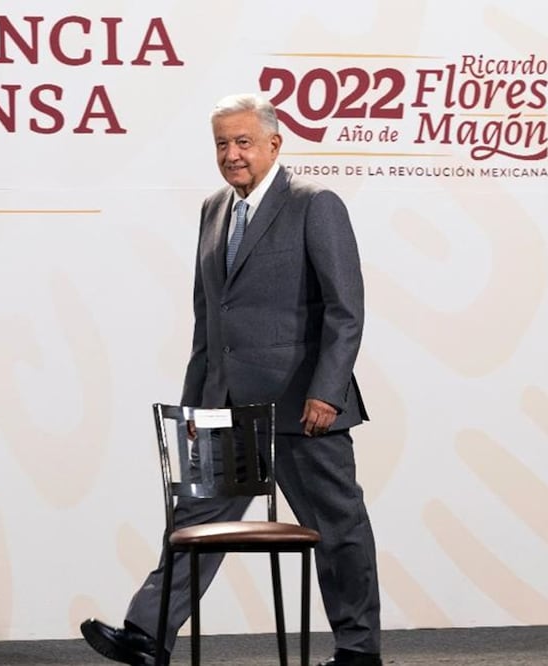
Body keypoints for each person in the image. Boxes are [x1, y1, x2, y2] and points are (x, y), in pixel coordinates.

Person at [81, 93, 381, 666]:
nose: (231, 154)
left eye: (243, 142)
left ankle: (358, 651)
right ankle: (147, 637)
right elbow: (209, 319)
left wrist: (327, 390)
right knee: (194, 524)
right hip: (225, 407)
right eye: (222, 144)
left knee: (338, 528)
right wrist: (197, 405)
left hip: (301, 407)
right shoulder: (214, 208)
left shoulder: (315, 204)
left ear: (274, 143)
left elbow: (346, 310)